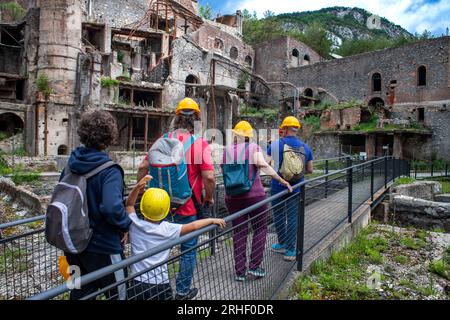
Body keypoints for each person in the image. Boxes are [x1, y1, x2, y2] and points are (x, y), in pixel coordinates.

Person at [136, 97, 215, 300]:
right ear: (196, 119)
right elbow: (209, 177)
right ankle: (181, 291)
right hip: (188, 208)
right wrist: (208, 198)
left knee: (158, 250)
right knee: (188, 251)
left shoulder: (162, 141)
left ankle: (153, 289)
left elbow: (143, 167)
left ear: (176, 117)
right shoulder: (199, 144)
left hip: (160, 207)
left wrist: (143, 192)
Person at [64, 110, 131, 300]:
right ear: (110, 137)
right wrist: (125, 225)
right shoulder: (109, 170)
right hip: (103, 247)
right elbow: (111, 207)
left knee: (78, 290)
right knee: (119, 293)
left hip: (72, 248)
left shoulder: (70, 165)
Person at [125, 175, 226, 300]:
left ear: (142, 207)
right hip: (160, 284)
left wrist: (137, 187)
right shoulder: (168, 229)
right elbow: (193, 226)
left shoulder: (135, 224)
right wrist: (212, 219)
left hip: (137, 283)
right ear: (166, 210)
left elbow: (129, 205)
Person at [223, 121, 292, 281]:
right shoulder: (253, 148)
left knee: (239, 232)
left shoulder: (226, 151)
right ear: (248, 136)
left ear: (235, 134)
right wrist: (282, 181)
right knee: (260, 229)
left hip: (232, 197)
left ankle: (240, 272)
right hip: (254, 196)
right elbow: (262, 165)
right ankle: (254, 267)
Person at [267, 116, 314, 261]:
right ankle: (290, 250)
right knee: (293, 217)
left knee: (279, 215)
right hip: (297, 187)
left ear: (284, 129)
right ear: (296, 129)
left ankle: (281, 243)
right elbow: (310, 170)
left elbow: (266, 166)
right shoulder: (305, 147)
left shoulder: (275, 145)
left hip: (277, 186)